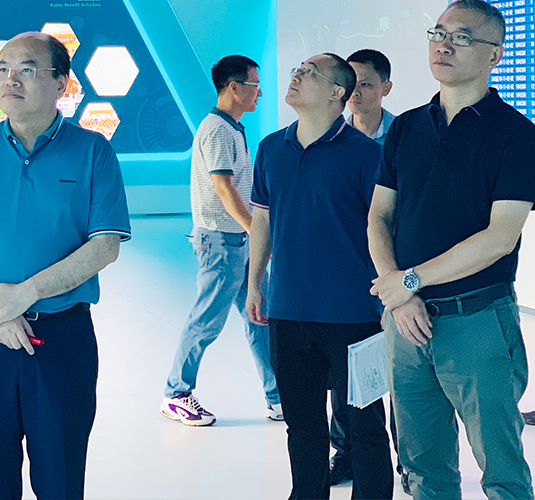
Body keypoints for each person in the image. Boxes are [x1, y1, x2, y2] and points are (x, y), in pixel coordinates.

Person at [0, 32, 131, 500]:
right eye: (1, 69)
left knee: (60, 475)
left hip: (60, 335)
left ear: (62, 82)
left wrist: (26, 294)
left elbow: (105, 246)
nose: (9, 79)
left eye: (26, 69)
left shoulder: (92, 151)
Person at [367, 1, 535, 498]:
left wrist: (409, 281)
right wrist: (400, 297)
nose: (444, 45)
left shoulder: (516, 135)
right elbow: (379, 216)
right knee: (421, 466)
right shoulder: (406, 127)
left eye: (461, 37)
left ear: (494, 55)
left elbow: (500, 237)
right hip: (406, 323)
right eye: (438, 33)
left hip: (476, 321)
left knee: (501, 469)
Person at [245, 53, 393, 499]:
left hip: (355, 316)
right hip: (288, 311)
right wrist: (255, 282)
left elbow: (386, 226)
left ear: (336, 93)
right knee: (302, 425)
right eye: (297, 70)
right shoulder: (271, 148)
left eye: (308, 73)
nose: (295, 76)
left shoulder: (367, 154)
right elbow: (263, 219)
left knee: (364, 427)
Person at [160, 55, 282, 427]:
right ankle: (176, 394)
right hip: (221, 243)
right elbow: (223, 189)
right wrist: (256, 230)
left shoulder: (232, 128)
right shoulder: (217, 130)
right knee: (206, 321)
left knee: (261, 317)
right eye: (255, 86)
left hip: (238, 242)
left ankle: (278, 397)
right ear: (233, 87)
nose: (260, 93)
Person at [328, 48, 402, 490]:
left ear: (386, 88)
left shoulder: (403, 136)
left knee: (402, 378)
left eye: (367, 85)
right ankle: (347, 455)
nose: (355, 93)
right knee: (348, 377)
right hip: (348, 273)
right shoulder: (332, 136)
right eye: (350, 85)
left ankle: (407, 462)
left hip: (392, 271)